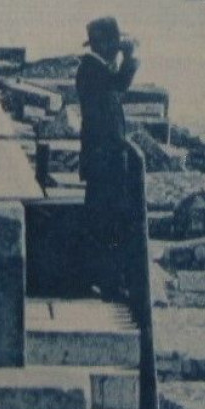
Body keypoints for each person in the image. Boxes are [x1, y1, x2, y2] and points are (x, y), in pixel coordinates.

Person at [75, 17, 140, 301]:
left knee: (103, 221)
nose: (116, 48)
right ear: (102, 43)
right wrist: (131, 57)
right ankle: (107, 283)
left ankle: (102, 280)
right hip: (105, 162)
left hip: (103, 160)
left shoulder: (93, 69)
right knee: (108, 222)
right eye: (112, 43)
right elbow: (121, 83)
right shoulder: (92, 70)